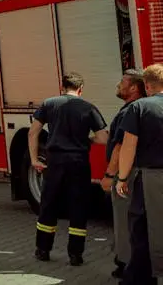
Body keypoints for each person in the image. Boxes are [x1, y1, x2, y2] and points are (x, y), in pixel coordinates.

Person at [29, 72, 109, 265]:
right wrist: (85, 140)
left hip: (55, 161)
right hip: (79, 162)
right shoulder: (88, 108)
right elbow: (103, 138)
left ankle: (43, 250)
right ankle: (75, 254)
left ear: (62, 87)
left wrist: (34, 159)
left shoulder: (49, 104)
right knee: (78, 206)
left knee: (49, 205)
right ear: (80, 89)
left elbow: (33, 133)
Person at [116, 63, 163, 284]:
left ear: (146, 85)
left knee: (141, 225)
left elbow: (128, 146)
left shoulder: (140, 107)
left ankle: (141, 278)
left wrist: (122, 178)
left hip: (151, 178)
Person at [104, 69, 147, 279]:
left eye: (123, 82)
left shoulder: (130, 111)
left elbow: (121, 146)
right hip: (138, 174)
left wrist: (110, 174)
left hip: (125, 174)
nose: (119, 85)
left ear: (133, 88)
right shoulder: (139, 109)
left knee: (123, 220)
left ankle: (125, 263)